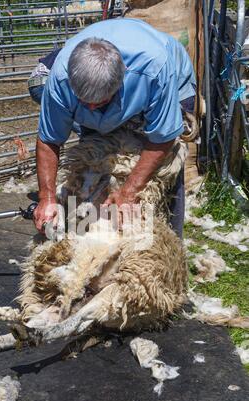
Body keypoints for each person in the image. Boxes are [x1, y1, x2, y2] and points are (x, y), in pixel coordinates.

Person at [33, 18, 196, 238]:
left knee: (166, 170)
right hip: (105, 88)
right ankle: (88, 237)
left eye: (98, 102)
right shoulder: (61, 77)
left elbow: (163, 137)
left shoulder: (154, 68)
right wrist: (47, 197)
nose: (91, 107)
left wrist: (129, 192)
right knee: (93, 159)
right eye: (84, 101)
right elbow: (49, 139)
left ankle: (166, 243)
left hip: (166, 83)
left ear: (119, 82)